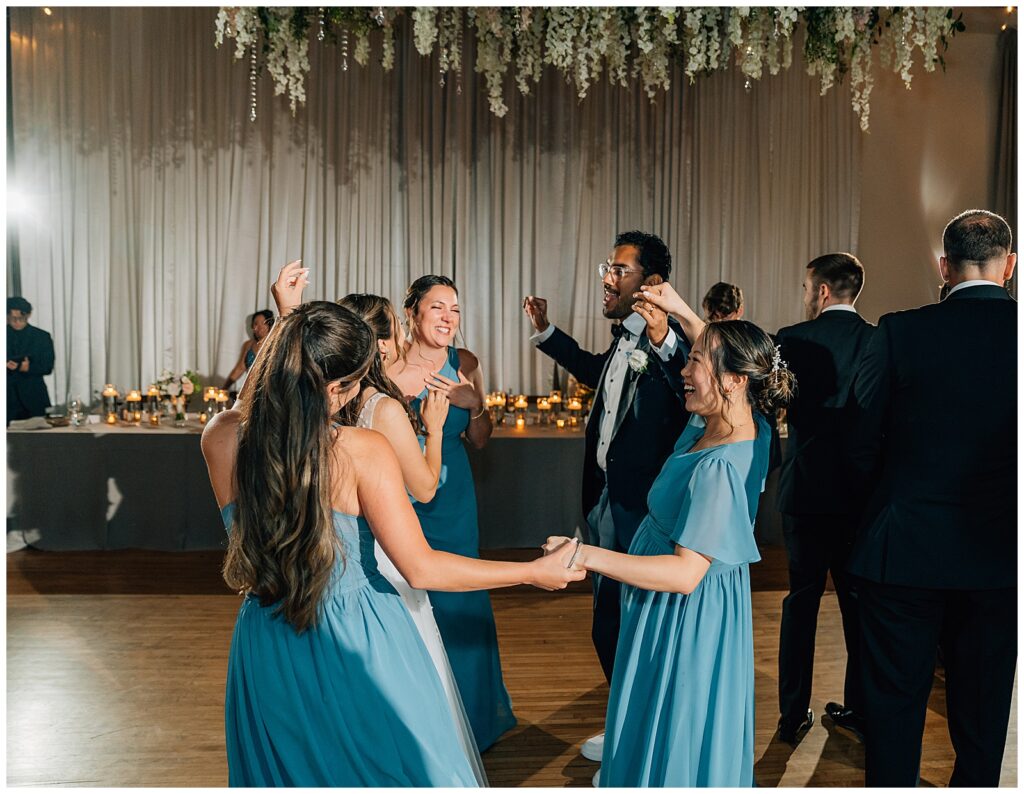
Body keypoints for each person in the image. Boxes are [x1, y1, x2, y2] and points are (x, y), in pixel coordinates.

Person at [200, 300, 584, 786]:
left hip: (266, 641)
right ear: (337, 387)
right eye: (356, 380)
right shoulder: (359, 451)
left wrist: (291, 322)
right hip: (357, 637)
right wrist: (531, 571)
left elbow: (257, 405)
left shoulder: (221, 437)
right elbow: (422, 569)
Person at [546, 320, 796, 786]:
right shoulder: (741, 421)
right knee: (661, 711)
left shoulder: (720, 466)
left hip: (682, 610)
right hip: (673, 604)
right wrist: (676, 310)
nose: (684, 368)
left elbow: (685, 573)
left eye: (696, 360)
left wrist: (584, 555)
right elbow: (735, 356)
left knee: (676, 717)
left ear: (733, 379)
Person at [269, 262, 487, 784]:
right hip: (388, 549)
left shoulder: (322, 404)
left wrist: (287, 316)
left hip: (340, 550)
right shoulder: (380, 406)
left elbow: (273, 395)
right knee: (405, 674)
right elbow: (425, 488)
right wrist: (433, 427)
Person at [846, 209, 1017, 787]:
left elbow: (861, 439)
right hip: (999, 556)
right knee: (984, 713)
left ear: (944, 267)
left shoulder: (898, 331)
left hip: (903, 550)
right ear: (1009, 266)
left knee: (893, 711)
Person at [522, 231, 690, 764]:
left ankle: (639, 741)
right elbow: (600, 374)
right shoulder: (625, 338)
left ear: (652, 283)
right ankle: (625, 724)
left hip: (642, 512)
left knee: (630, 627)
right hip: (603, 503)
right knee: (610, 623)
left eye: (619, 270)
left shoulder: (675, 343)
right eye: (608, 268)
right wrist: (546, 332)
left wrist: (665, 335)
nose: (607, 278)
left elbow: (682, 374)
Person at [388, 274, 516, 752]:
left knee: (463, 597)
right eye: (437, 307)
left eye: (455, 309)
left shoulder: (466, 362)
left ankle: (474, 717)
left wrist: (475, 404)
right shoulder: (389, 363)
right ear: (413, 313)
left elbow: (480, 440)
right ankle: (420, 719)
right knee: (410, 596)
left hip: (455, 496)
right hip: (401, 493)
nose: (448, 318)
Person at [773, 253, 875, 744]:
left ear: (823, 292)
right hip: (862, 500)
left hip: (808, 491)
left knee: (801, 604)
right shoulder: (878, 340)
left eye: (807, 286)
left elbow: (767, 403)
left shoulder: (791, 339)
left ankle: (792, 713)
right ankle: (859, 708)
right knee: (859, 608)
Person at [6, 297, 55, 424]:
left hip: (33, 398)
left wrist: (27, 368)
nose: (17, 322)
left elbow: (47, 367)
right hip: (7, 398)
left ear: (28, 315)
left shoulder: (42, 337)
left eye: (21, 318)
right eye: (12, 318)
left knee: (37, 441)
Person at [222, 309, 274, 391]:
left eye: (263, 323)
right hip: (251, 391)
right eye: (256, 324)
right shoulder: (248, 345)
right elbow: (240, 368)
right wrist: (224, 389)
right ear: (252, 327)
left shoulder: (277, 344)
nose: (259, 327)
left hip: (272, 391)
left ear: (270, 325)